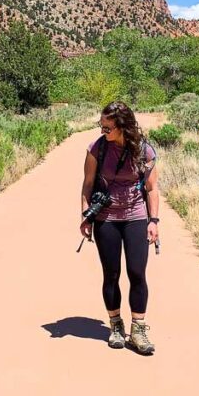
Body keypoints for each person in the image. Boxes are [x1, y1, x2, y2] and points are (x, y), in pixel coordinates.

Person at [80, 101, 160, 355]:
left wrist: (154, 221)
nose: (102, 131)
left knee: (137, 272)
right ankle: (115, 324)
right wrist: (86, 215)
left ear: (123, 127)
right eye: (101, 126)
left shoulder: (144, 151)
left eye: (107, 128)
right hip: (107, 218)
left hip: (136, 216)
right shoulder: (97, 149)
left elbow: (152, 188)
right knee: (111, 273)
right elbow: (88, 184)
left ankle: (138, 329)